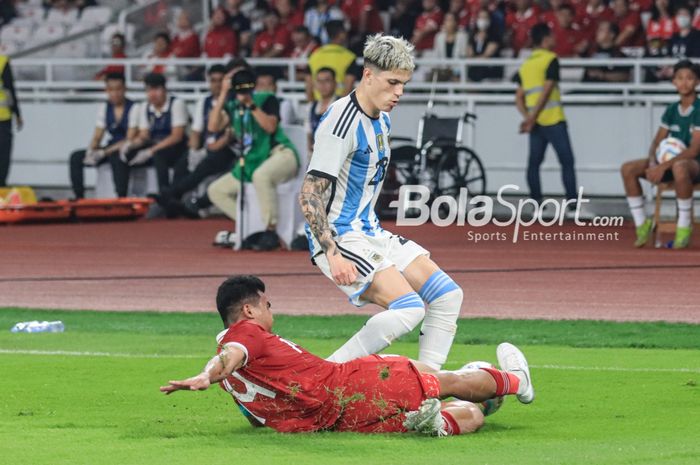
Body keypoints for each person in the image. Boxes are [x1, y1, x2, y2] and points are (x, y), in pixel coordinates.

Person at [160, 275, 535, 435]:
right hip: (349, 386)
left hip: (332, 421)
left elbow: (257, 415)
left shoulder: (238, 384)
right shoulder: (246, 334)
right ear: (249, 311)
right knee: (446, 380)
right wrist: (207, 375)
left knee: (470, 415)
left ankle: (437, 421)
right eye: (267, 305)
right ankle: (517, 381)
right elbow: (230, 355)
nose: (271, 313)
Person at [298, 34, 463, 371]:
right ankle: (321, 377)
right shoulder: (340, 122)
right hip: (340, 236)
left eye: (403, 84)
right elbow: (310, 193)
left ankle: (427, 388)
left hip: (371, 231)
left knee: (448, 296)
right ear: (368, 75)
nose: (399, 92)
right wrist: (332, 251)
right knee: (410, 308)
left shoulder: (382, 119)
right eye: (392, 83)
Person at [207, 69, 300, 251]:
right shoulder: (233, 106)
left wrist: (251, 105)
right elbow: (212, 126)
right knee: (216, 190)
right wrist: (224, 93)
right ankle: (250, 226)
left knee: (261, 176)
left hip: (281, 154)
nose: (243, 92)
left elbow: (271, 127)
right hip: (252, 160)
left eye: (246, 88)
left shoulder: (267, 99)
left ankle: (270, 230)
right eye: (239, 89)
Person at [620, 60, 700, 249]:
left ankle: (683, 227)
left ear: (697, 82)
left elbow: (694, 149)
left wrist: (663, 166)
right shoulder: (671, 110)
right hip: (670, 163)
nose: (684, 83)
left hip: (694, 165)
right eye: (679, 78)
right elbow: (657, 142)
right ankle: (642, 225)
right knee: (628, 168)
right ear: (673, 82)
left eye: (689, 78)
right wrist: (652, 162)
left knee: (680, 167)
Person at [515, 23, 582, 215]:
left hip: (535, 124)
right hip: (553, 119)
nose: (554, 39)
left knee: (534, 163)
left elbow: (518, 97)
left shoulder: (526, 64)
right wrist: (533, 117)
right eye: (552, 36)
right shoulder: (551, 59)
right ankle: (572, 204)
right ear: (545, 40)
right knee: (567, 161)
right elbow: (547, 90)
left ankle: (536, 203)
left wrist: (528, 118)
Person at [156, 65, 236, 217]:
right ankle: (175, 201)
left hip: (226, 149)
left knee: (208, 162)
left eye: (220, 81)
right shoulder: (203, 102)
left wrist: (209, 149)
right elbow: (196, 131)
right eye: (213, 80)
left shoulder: (233, 102)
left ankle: (172, 194)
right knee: (183, 162)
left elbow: (227, 135)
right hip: (207, 147)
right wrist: (194, 150)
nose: (217, 84)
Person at [114, 73, 188, 197]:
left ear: (164, 89)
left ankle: (164, 195)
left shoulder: (176, 104)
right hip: (154, 145)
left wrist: (150, 151)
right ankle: (121, 196)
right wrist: (131, 145)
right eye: (149, 90)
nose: (152, 94)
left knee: (159, 156)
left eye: (156, 89)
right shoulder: (145, 107)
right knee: (122, 155)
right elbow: (144, 135)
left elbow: (177, 136)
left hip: (176, 147)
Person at [69, 72, 139, 199]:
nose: (115, 93)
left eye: (118, 89)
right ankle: (79, 197)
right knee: (76, 157)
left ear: (124, 89)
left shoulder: (134, 108)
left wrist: (104, 152)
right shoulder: (104, 107)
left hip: (128, 148)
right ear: (106, 90)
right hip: (110, 148)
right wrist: (92, 150)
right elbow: (97, 135)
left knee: (117, 157)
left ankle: (121, 197)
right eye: (111, 90)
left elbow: (129, 138)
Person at [306, 20, 361, 101]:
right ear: (342, 34)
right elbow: (348, 89)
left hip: (318, 105)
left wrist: (314, 107)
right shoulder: (349, 57)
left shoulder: (314, 55)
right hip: (338, 107)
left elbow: (309, 89)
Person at [0, 53, 21, 187]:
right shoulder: (2, 61)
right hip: (3, 117)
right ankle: (1, 184)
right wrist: (17, 113)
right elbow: (9, 90)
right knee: (3, 153)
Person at [306, 67, 338, 155]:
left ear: (335, 83)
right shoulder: (311, 107)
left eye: (327, 81)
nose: (323, 85)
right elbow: (308, 134)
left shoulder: (342, 105)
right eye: (319, 81)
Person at [466, 8, 503, 82]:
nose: (482, 20)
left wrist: (473, 60)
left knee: (476, 74)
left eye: (485, 17)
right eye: (480, 17)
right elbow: (469, 54)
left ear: (490, 20)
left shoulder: (494, 36)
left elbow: (486, 56)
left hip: (490, 68)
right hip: (475, 68)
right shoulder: (472, 36)